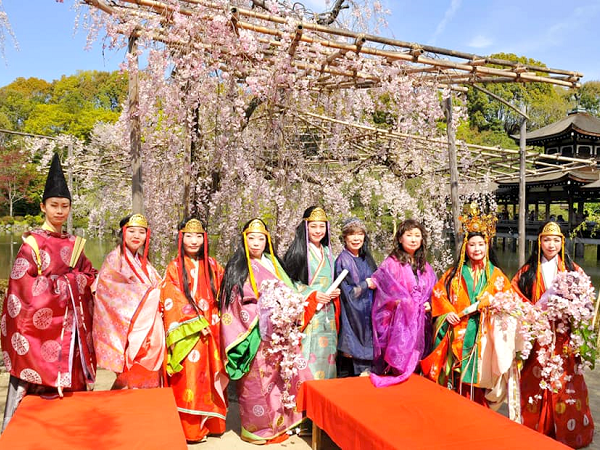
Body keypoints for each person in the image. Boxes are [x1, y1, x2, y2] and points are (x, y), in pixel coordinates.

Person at [1, 154, 97, 432]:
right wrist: (67, 284)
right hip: (41, 332)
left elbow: (89, 276)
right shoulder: (32, 243)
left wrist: (69, 281)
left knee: (73, 390)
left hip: (71, 331)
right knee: (36, 396)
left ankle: (74, 431)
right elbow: (22, 288)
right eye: (54, 205)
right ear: (43, 206)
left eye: (64, 206)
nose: (59, 211)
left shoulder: (75, 244)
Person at [220, 218, 312, 444]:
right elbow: (235, 304)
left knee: (282, 380)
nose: (256, 243)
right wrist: (266, 315)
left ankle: (282, 425)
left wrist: (288, 310)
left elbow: (288, 291)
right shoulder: (238, 267)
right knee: (258, 383)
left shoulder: (273, 263)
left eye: (261, 238)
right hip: (256, 335)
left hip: (280, 334)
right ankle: (258, 431)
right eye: (251, 238)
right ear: (243, 240)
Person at [421, 203, 519, 412]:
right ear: (465, 246)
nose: (477, 249)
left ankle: (477, 412)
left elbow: (508, 301)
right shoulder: (452, 274)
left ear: (487, 245)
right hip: (458, 330)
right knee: (455, 376)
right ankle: (452, 408)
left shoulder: (497, 275)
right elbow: (438, 294)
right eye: (472, 244)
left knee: (480, 375)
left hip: (483, 333)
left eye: (481, 244)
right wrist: (447, 313)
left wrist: (492, 310)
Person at [512, 222, 594, 448]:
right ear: (540, 241)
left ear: (562, 242)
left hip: (564, 336)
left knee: (566, 381)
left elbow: (587, 301)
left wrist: (575, 311)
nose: (552, 244)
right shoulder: (526, 273)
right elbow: (515, 297)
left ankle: (569, 432)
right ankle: (535, 427)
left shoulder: (574, 271)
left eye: (556, 240)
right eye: (547, 240)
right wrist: (533, 313)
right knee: (535, 379)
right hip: (538, 335)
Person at [161, 218, 228, 443]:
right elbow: (170, 297)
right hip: (189, 333)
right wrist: (195, 321)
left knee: (211, 375)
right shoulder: (174, 266)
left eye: (198, 236)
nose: (194, 240)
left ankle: (213, 424)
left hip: (212, 329)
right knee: (189, 377)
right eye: (189, 236)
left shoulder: (213, 264)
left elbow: (224, 293)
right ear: (181, 238)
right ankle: (191, 430)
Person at [93, 214, 162, 389]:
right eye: (131, 231)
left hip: (148, 327)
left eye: (141, 232)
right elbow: (109, 291)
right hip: (125, 326)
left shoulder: (144, 263)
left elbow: (158, 285)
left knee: (146, 371)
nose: (136, 236)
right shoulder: (114, 259)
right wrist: (150, 294)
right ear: (122, 233)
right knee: (130, 370)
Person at [370, 219, 437, 387]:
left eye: (417, 236)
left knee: (418, 362)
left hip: (421, 320)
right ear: (400, 239)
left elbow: (433, 290)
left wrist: (430, 303)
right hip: (399, 321)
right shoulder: (391, 263)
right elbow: (384, 291)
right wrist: (402, 303)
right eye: (409, 235)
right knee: (399, 363)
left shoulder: (425, 265)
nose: (413, 239)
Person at [283, 206, 340, 380]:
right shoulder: (298, 252)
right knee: (308, 354)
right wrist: (312, 294)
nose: (318, 231)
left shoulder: (328, 252)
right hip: (309, 313)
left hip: (328, 312)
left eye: (322, 226)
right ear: (305, 227)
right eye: (313, 226)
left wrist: (335, 291)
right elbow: (289, 283)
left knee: (329, 354)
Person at [334, 218, 377, 377]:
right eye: (352, 234)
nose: (356, 238)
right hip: (352, 319)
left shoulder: (366, 258)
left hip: (369, 317)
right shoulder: (343, 260)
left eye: (360, 234)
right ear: (345, 237)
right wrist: (366, 284)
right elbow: (349, 293)